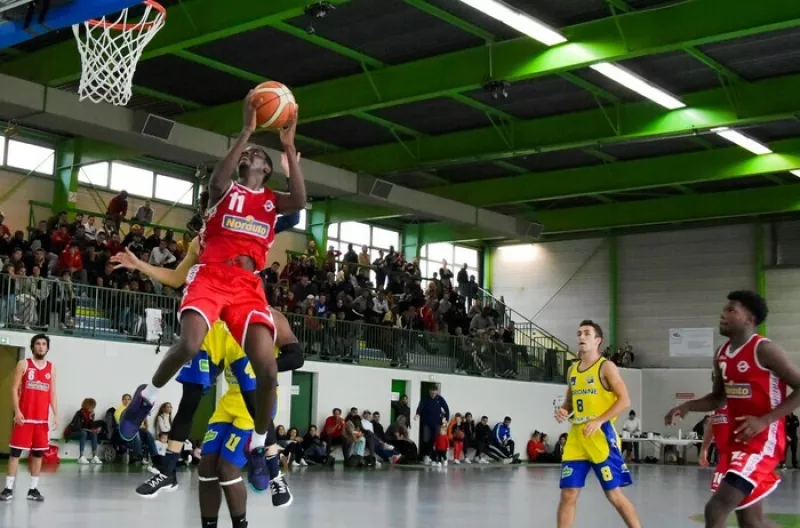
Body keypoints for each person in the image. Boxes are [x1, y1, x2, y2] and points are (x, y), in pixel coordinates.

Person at [117, 94, 306, 492]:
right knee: (188, 354)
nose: (250, 154)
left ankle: (260, 451)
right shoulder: (222, 194)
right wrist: (247, 131)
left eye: (256, 153)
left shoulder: (270, 204)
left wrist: (288, 149)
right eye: (246, 153)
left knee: (266, 369)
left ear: (267, 168)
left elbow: (300, 203)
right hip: (210, 279)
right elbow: (216, 184)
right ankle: (146, 400)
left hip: (246, 289)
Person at [665, 290, 800, 528]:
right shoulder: (721, 354)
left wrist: (764, 420)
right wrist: (688, 406)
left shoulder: (764, 350)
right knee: (750, 521)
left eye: (731, 310)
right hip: (739, 440)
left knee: (716, 508)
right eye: (724, 309)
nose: (722, 314)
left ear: (750, 319)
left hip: (763, 440)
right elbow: (718, 399)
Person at [555, 320, 639, 528]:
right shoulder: (572, 370)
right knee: (568, 493)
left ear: (598, 340)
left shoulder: (606, 367)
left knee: (614, 495)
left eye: (586, 333)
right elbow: (570, 401)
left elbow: (624, 400)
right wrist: (564, 410)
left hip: (600, 436)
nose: (581, 337)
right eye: (579, 333)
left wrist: (599, 420)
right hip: (577, 437)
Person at [0, 334, 57, 502]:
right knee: (15, 453)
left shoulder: (51, 368)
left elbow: (52, 392)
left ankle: (33, 489)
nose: (41, 346)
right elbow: (14, 389)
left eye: (44, 344)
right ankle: (8, 488)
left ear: (47, 348)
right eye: (38, 344)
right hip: (24, 418)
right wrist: (17, 411)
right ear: (33, 347)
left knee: (38, 454)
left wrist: (56, 414)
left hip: (41, 420)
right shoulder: (24, 364)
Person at [699, 397, 729, 493]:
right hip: (724, 459)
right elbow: (711, 426)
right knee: (717, 494)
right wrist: (704, 450)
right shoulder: (717, 408)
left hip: (738, 458)